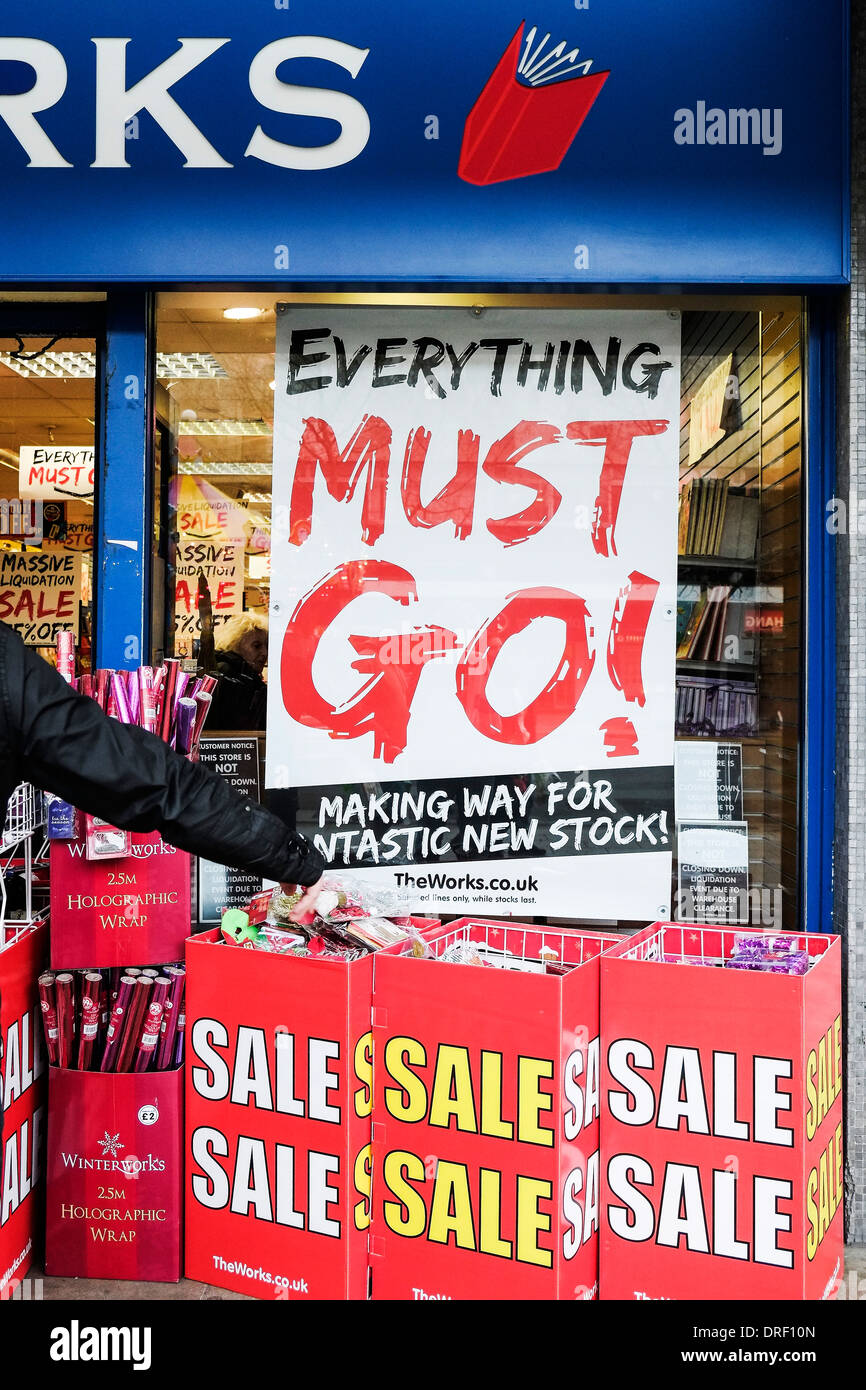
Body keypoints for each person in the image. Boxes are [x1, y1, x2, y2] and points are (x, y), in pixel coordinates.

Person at [208, 612, 269, 730]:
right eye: (256, 646)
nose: (265, 653)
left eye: (266, 646)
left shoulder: (245, 676)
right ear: (235, 644)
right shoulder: (227, 676)